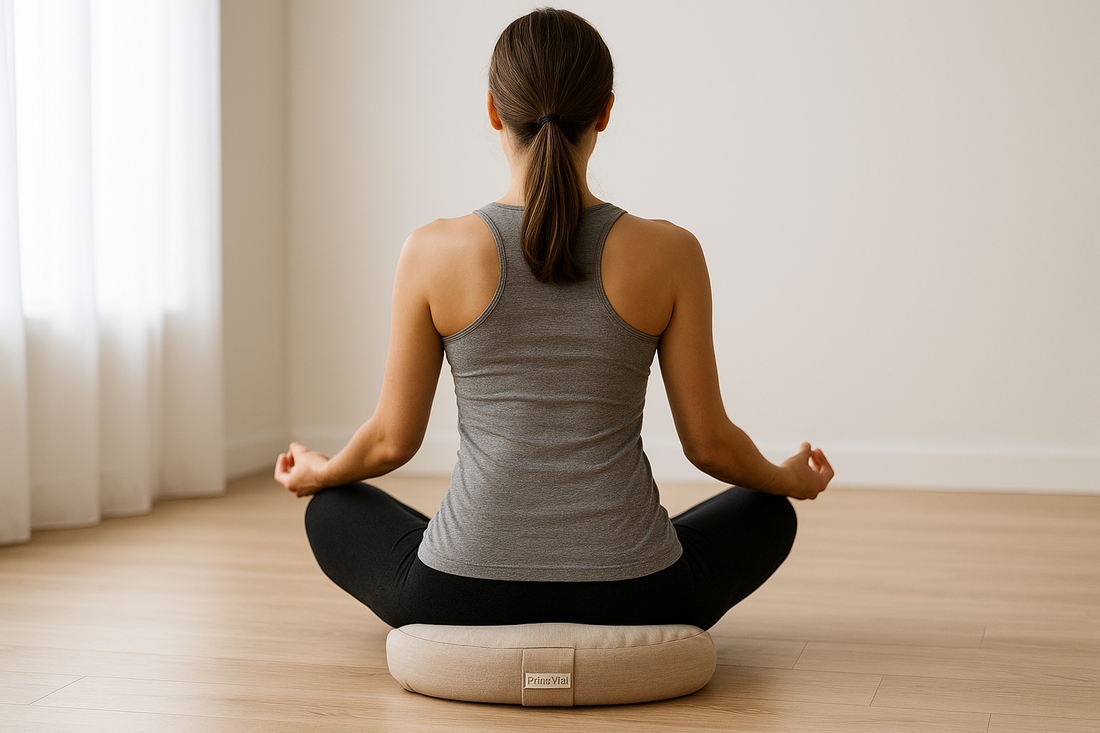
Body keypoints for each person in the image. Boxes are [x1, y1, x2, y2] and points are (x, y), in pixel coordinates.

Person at [274, 7, 832, 631]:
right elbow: (710, 445)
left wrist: (322, 472)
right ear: (605, 112)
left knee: (331, 506)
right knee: (769, 510)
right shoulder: (671, 252)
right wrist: (784, 478)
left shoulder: (432, 251)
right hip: (641, 596)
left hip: (458, 596)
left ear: (494, 111)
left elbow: (390, 442)